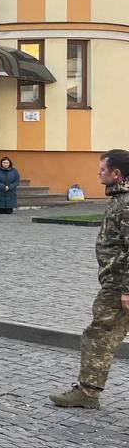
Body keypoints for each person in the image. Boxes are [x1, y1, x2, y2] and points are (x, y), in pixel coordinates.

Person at [50, 149, 129, 409]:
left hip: (119, 283)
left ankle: (87, 392)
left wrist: (126, 289)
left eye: (103, 169)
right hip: (116, 280)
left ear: (116, 174)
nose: (98, 172)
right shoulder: (120, 198)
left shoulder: (126, 203)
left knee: (99, 334)